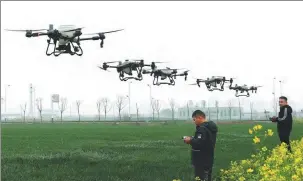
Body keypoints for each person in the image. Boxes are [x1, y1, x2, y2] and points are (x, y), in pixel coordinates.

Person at [183, 110, 218, 181]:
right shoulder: (210, 127)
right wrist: (194, 139)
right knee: (207, 177)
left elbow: (199, 143)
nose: (194, 121)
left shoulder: (202, 129)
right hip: (209, 158)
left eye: (194, 119)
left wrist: (189, 140)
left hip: (201, 160)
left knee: (200, 178)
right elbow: (205, 141)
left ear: (199, 117)